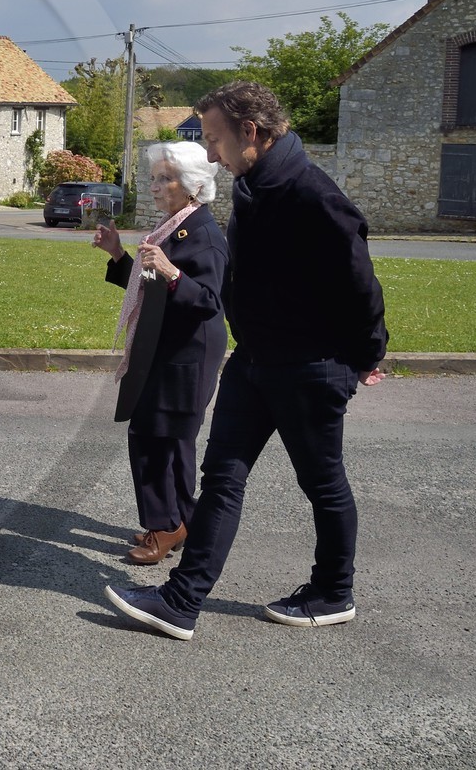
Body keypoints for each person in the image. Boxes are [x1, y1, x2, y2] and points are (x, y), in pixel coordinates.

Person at [105, 81, 387, 641]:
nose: (210, 154)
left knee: (322, 481)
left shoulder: (312, 194)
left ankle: (334, 591)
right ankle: (180, 602)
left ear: (250, 133)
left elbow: (361, 287)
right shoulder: (257, 184)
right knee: (221, 479)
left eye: (215, 140)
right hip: (254, 362)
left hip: (311, 366)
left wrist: (363, 357)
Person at [92, 141, 227, 566]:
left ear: (192, 185)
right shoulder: (174, 226)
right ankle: (180, 521)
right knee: (170, 441)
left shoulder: (203, 234)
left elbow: (208, 300)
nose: (155, 187)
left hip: (185, 355)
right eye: (153, 178)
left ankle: (164, 526)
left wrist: (172, 272)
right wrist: (119, 255)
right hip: (166, 349)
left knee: (154, 439)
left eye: (165, 179)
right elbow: (150, 288)